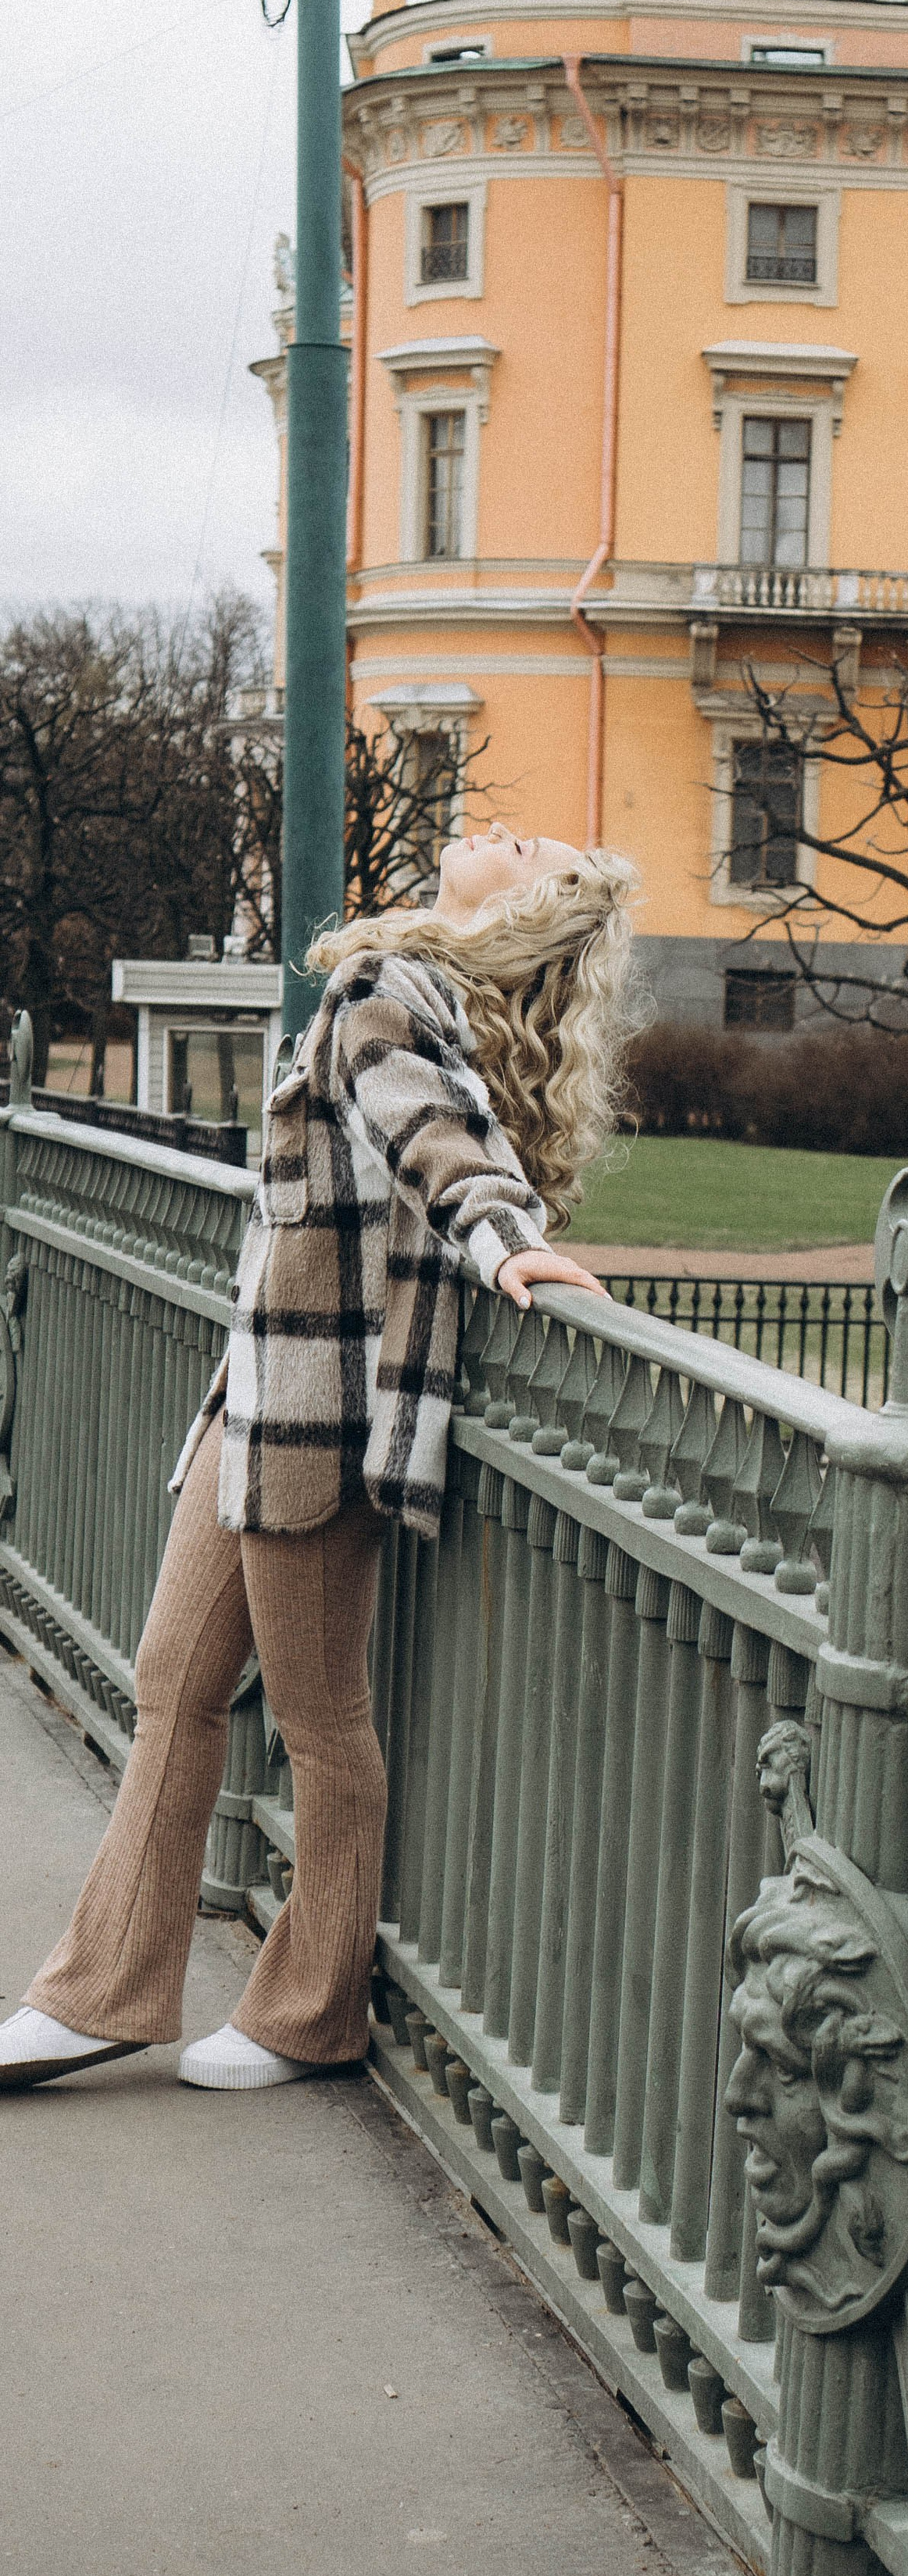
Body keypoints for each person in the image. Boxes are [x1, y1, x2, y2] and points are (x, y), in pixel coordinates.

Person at [0, 824, 636, 2093]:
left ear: (532, 912)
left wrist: (502, 1238)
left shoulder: (387, 999)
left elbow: (432, 1142)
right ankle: (103, 1992)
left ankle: (308, 2012)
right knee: (173, 1687)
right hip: (257, 1399)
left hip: (325, 1415)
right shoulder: (424, 998)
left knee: (321, 1723)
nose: (492, 828)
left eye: (525, 845)